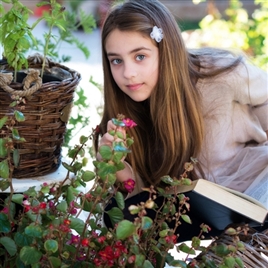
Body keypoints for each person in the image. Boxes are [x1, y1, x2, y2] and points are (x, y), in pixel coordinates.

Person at [94, 0, 268, 242]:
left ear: (166, 50)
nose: (128, 73)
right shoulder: (123, 116)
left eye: (140, 56)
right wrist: (118, 168)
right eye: (116, 60)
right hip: (197, 207)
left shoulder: (220, 74)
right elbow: (141, 198)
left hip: (255, 186)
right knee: (116, 213)